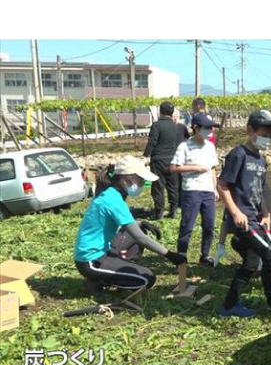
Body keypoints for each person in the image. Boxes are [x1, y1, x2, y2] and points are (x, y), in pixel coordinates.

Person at [73, 155, 186, 296]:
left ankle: (117, 267)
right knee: (147, 279)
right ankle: (98, 280)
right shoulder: (113, 200)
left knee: (139, 230)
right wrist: (169, 255)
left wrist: (141, 223)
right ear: (128, 178)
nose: (143, 183)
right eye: (141, 180)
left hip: (103, 248)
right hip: (90, 260)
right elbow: (139, 237)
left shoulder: (112, 193)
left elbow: (121, 225)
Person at [217, 110, 271, 317]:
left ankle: (229, 306)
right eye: (264, 134)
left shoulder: (260, 159)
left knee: (251, 263)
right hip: (242, 220)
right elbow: (222, 185)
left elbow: (260, 190)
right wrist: (235, 213)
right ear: (250, 130)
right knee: (270, 259)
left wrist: (266, 214)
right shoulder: (238, 154)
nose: (268, 139)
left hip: (255, 217)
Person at [169, 114, 219, 266]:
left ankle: (205, 255)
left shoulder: (210, 146)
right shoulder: (184, 146)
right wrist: (195, 168)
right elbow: (173, 167)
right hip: (192, 190)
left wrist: (215, 188)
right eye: (207, 128)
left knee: (209, 225)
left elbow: (213, 169)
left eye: (211, 128)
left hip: (208, 191)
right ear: (196, 128)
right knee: (187, 224)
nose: (210, 131)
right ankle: (181, 255)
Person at [216, 183, 271, 267]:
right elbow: (226, 220)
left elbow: (265, 218)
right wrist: (221, 245)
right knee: (237, 241)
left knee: (259, 235)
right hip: (259, 223)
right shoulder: (236, 193)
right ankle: (253, 263)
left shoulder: (262, 188)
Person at [143, 101, 182, 220]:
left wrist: (145, 155)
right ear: (172, 113)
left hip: (158, 160)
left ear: (160, 111)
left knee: (158, 186)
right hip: (173, 159)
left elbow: (152, 142)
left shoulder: (157, 125)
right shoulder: (176, 127)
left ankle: (159, 212)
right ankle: (173, 210)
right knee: (173, 186)